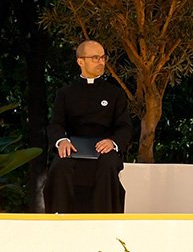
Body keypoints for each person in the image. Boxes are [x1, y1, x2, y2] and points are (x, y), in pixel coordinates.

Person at [45, 40, 131, 214]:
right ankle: (59, 223)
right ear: (80, 62)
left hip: (104, 149)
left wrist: (112, 142)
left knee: (108, 166)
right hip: (74, 148)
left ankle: (105, 225)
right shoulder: (65, 94)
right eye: (95, 58)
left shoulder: (115, 94)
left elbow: (125, 127)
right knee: (60, 166)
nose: (101, 62)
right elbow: (56, 124)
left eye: (103, 57)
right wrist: (62, 141)